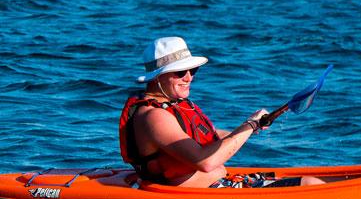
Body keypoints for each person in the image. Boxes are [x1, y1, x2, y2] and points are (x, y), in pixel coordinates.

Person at [118, 36, 323, 188]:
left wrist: (250, 127)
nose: (189, 77)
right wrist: (250, 125)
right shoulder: (155, 116)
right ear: (157, 78)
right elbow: (206, 162)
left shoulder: (171, 105)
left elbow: (210, 138)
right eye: (180, 72)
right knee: (309, 185)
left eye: (192, 70)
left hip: (221, 183)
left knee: (311, 182)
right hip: (202, 194)